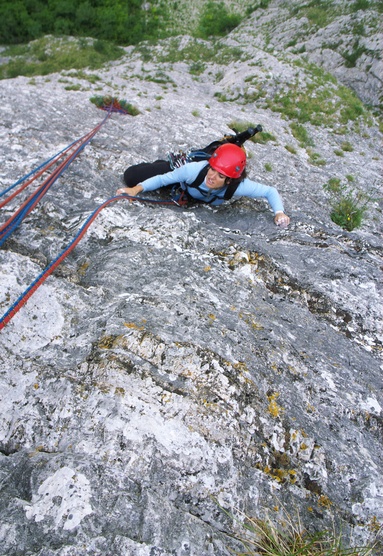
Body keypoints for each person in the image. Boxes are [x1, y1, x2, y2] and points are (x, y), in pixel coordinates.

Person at [116, 143, 290, 227]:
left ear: (229, 180)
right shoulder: (193, 171)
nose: (212, 177)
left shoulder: (237, 186)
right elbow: (163, 179)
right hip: (181, 179)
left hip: (192, 189)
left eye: (220, 175)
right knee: (131, 176)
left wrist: (279, 213)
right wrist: (135, 189)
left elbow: (270, 191)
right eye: (212, 170)